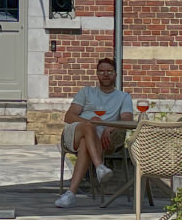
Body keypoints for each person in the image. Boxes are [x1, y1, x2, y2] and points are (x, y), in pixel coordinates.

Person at [55, 57, 137, 208]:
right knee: (88, 126)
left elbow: (127, 119)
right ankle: (99, 166)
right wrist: (89, 122)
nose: (105, 74)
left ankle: (71, 193)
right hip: (76, 132)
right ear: (97, 74)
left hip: (101, 139)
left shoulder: (123, 97)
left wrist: (109, 126)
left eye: (109, 71)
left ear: (115, 74)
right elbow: (69, 116)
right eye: (102, 71)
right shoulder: (86, 92)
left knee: (86, 141)